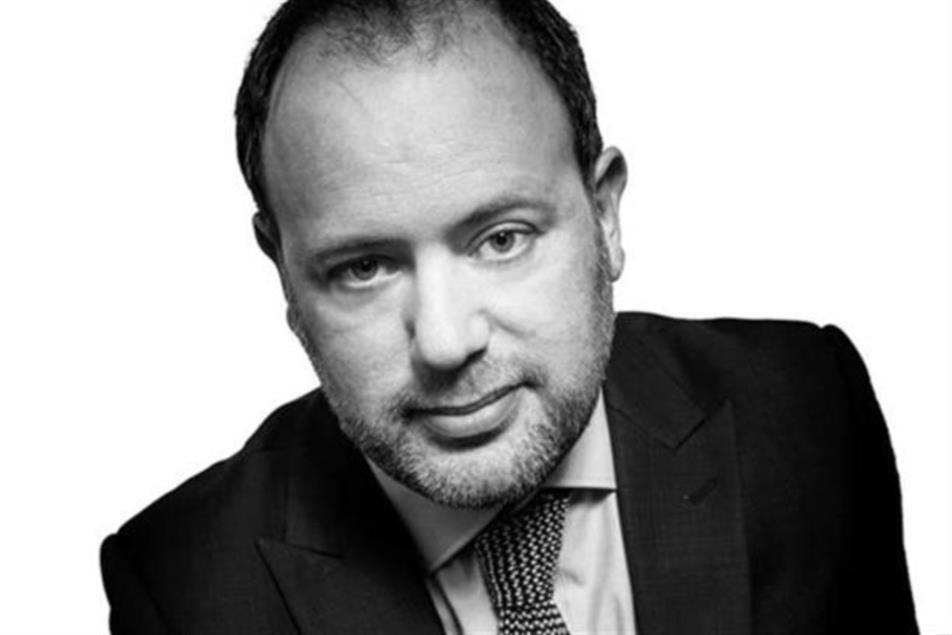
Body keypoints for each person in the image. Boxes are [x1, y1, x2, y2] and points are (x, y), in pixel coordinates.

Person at [100, 1, 919, 633]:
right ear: (282, 270)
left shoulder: (807, 409)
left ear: (605, 215)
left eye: (501, 239)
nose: (446, 340)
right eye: (364, 267)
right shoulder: (186, 587)